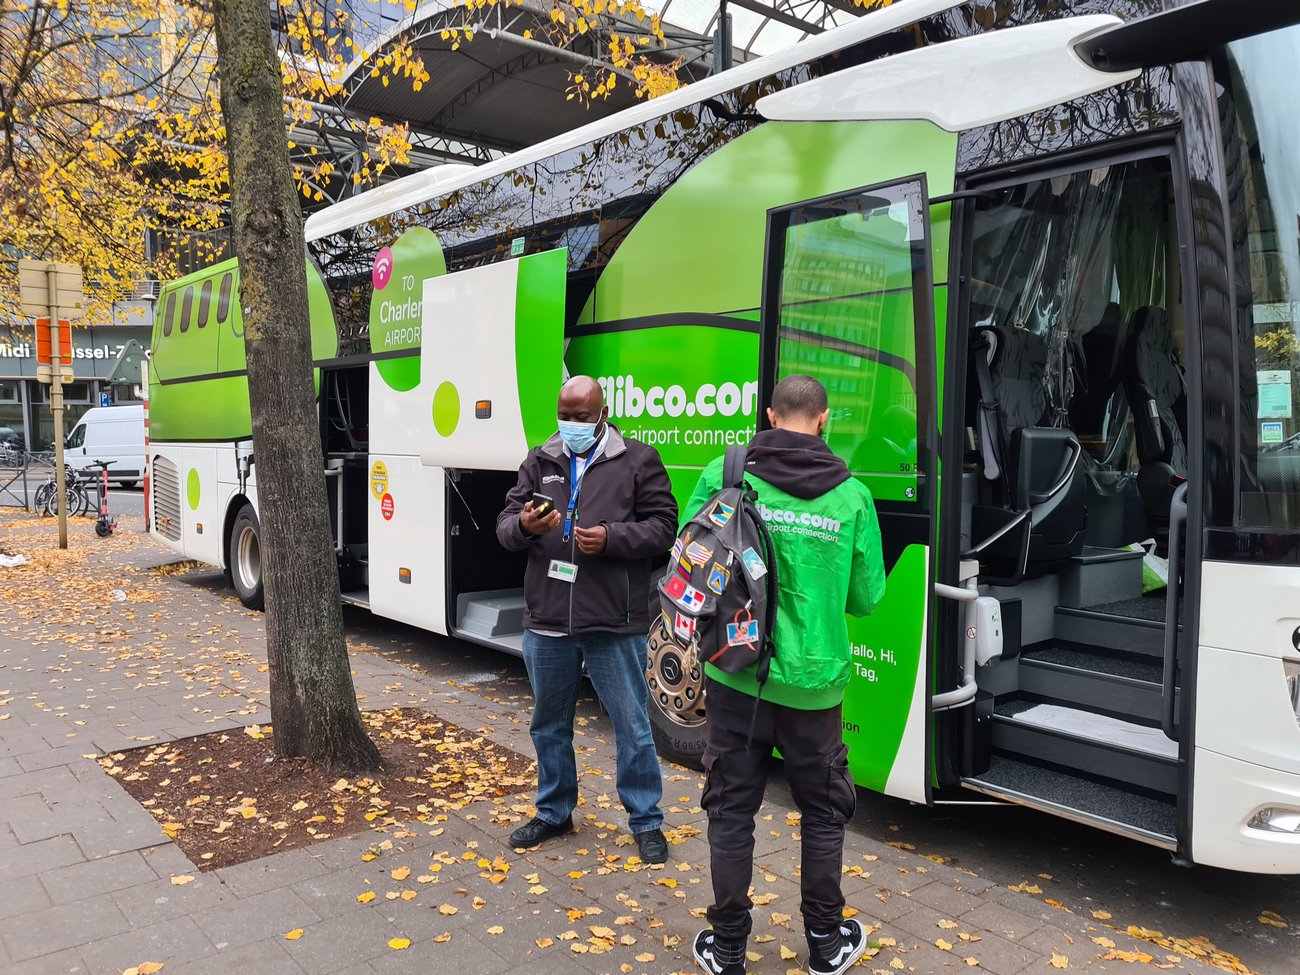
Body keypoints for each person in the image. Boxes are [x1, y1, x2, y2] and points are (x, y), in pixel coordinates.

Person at [689, 375, 886, 975]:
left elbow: (692, 561)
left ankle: (727, 951)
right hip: (815, 684)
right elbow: (866, 597)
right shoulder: (852, 496)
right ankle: (825, 944)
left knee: (731, 809)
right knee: (823, 812)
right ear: (823, 420)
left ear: (771, 415)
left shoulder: (726, 474)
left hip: (736, 675)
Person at [496, 375, 678, 864]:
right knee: (549, 725)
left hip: (613, 623)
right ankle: (554, 813)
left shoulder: (637, 459)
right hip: (547, 620)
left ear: (602, 413)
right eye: (565, 415)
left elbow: (665, 526)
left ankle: (646, 821)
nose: (572, 425)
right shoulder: (540, 459)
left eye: (581, 416)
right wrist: (525, 526)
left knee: (633, 726)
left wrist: (613, 537)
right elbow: (505, 526)